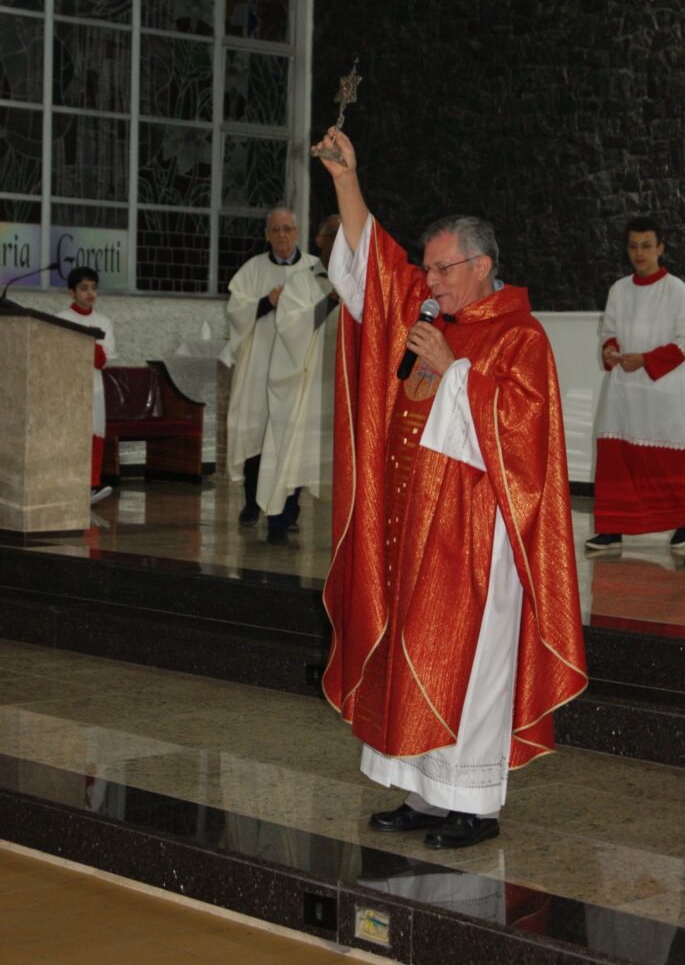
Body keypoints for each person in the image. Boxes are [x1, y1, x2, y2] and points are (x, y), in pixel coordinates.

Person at [312, 128, 587, 849]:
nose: (428, 283)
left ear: (481, 263)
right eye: (429, 271)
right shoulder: (431, 317)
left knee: (471, 663)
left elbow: (527, 436)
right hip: (414, 524)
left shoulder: (518, 337)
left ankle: (471, 800)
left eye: (441, 270)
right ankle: (421, 790)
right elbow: (376, 269)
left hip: (477, 535)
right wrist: (346, 181)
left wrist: (457, 373)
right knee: (413, 650)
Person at [586, 216, 685, 555]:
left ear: (660, 248)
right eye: (632, 246)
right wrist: (610, 350)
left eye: (646, 246)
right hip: (623, 392)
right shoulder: (619, 289)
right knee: (617, 458)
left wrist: (646, 359)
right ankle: (612, 530)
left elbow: (684, 341)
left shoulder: (678, 291)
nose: (639, 253)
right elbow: (609, 331)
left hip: (664, 392)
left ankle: (683, 526)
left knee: (669, 463)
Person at [226, 208, 318, 525]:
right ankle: (252, 503)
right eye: (275, 229)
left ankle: (289, 511)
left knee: (291, 438)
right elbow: (236, 311)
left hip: (297, 369)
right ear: (267, 234)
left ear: (297, 232)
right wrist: (266, 302)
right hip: (260, 366)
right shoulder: (253, 269)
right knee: (256, 432)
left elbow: (323, 314)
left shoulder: (314, 269)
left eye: (287, 229)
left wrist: (295, 310)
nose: (281, 235)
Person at [257, 215, 341, 545]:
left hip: (337, 387)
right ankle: (281, 515)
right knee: (290, 451)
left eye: (345, 235)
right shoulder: (299, 283)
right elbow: (292, 330)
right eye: (331, 234)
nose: (338, 241)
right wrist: (331, 300)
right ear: (318, 240)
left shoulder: (360, 285)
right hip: (301, 385)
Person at [57, 266, 115, 505]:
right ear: (72, 292)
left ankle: (92, 484)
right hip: (69, 386)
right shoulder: (61, 319)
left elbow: (102, 360)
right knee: (70, 434)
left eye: (93, 288)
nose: (89, 293)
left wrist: (90, 342)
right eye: (83, 288)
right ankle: (66, 484)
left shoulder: (103, 321)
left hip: (94, 386)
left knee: (94, 433)